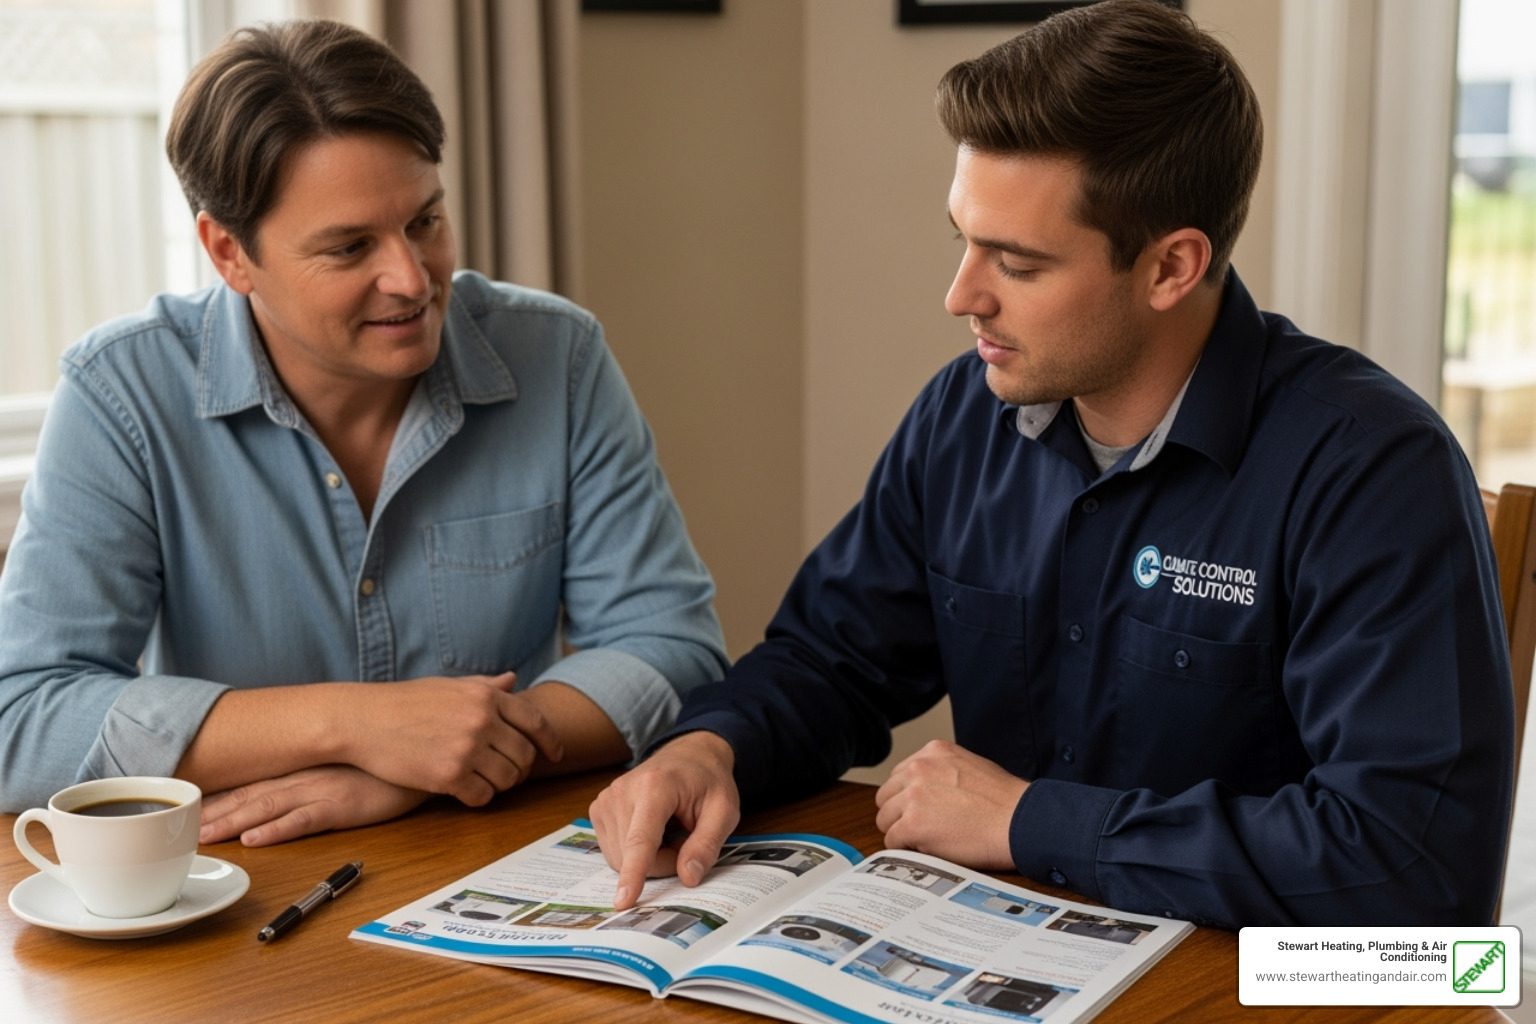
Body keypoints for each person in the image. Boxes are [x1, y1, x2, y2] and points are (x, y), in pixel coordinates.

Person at [590, 0, 1516, 927]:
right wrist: (711, 746)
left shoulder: (1374, 471)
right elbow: (833, 660)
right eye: (963, 238)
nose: (961, 296)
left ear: (1171, 268)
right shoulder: (964, 415)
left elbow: (1414, 872)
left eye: (1017, 264)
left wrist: (1036, 821)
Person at [0, 19, 728, 847]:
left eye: (425, 221)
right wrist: (352, 725)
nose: (411, 279)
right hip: (240, 899)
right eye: (349, 248)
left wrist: (434, 764)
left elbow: (672, 648)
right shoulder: (120, 394)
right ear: (229, 253)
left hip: (488, 864)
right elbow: (20, 717)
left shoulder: (557, 355)